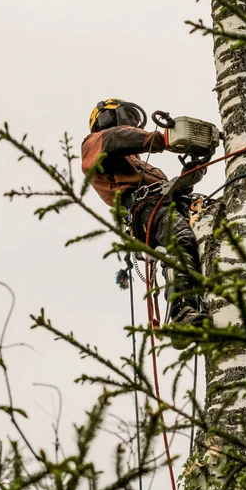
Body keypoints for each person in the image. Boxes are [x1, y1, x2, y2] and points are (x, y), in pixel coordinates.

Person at [81, 97, 212, 336]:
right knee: (179, 238)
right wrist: (163, 139)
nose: (133, 125)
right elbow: (116, 138)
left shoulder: (145, 168)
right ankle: (182, 310)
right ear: (107, 118)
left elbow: (169, 191)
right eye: (128, 118)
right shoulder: (94, 144)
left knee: (211, 230)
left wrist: (192, 172)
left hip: (166, 205)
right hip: (143, 210)